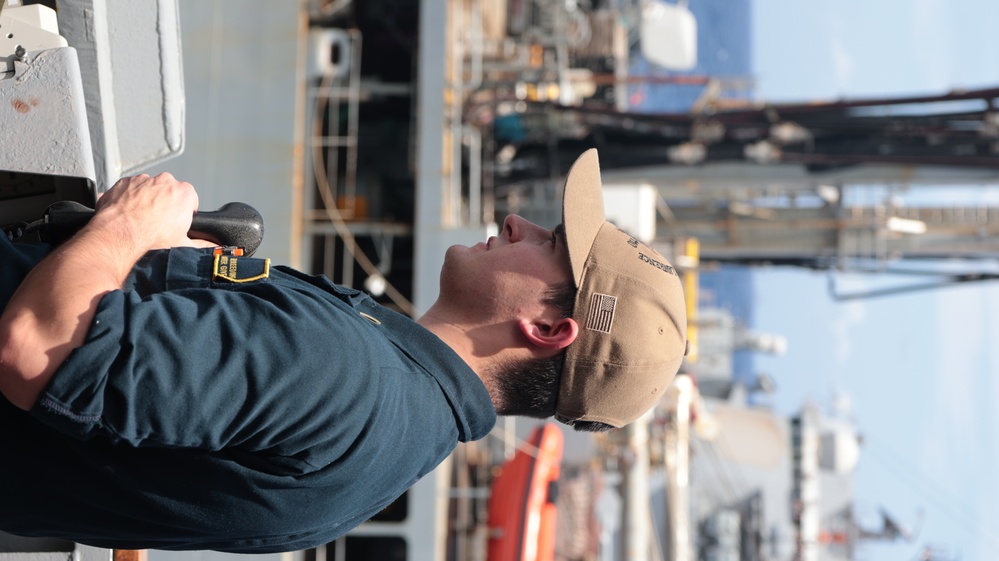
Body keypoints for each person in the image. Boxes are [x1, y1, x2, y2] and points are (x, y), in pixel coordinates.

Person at [0, 149, 687, 552]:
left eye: (551, 246)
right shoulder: (390, 412)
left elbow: (36, 349)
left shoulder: (347, 376)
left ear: (545, 328)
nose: (519, 222)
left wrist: (124, 228)